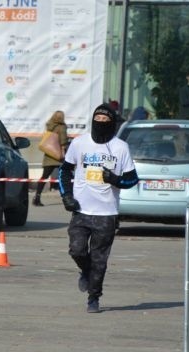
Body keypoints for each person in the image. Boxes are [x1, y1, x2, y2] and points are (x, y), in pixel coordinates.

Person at [58, 104, 139, 314]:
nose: (101, 123)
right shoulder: (79, 143)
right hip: (81, 210)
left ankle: (94, 297)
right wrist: (66, 196)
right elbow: (64, 172)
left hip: (106, 213)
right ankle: (85, 270)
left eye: (105, 120)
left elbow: (132, 180)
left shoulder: (120, 147)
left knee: (99, 259)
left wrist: (115, 180)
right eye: (98, 119)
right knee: (76, 249)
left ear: (112, 123)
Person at [33, 110, 69, 206]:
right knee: (66, 176)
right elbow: (63, 141)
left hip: (49, 155)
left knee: (44, 177)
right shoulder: (62, 127)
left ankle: (37, 197)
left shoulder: (49, 126)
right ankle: (67, 197)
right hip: (59, 156)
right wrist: (63, 153)